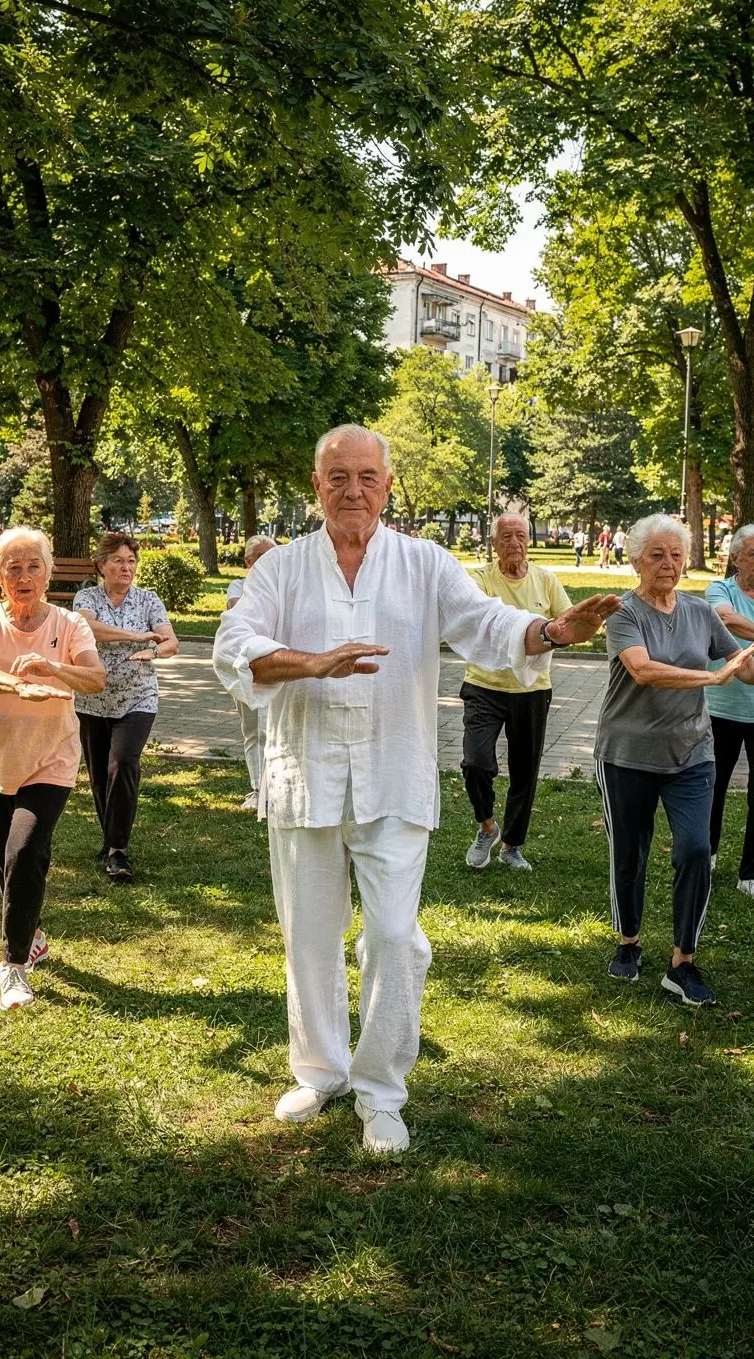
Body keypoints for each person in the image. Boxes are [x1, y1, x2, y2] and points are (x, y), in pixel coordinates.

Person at [213, 424, 618, 1153]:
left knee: (395, 938)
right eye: (339, 476)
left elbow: (488, 623)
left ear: (388, 485)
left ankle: (381, 1089)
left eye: (367, 476)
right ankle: (321, 1070)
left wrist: (553, 633)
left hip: (392, 773)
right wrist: (311, 663)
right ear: (317, 486)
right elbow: (233, 647)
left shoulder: (423, 562)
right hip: (305, 774)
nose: (353, 490)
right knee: (309, 936)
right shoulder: (282, 568)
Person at [593, 515, 754, 1007]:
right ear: (636, 560)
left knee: (695, 850)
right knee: (630, 853)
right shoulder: (623, 613)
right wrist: (711, 678)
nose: (669, 563)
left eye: (677, 555)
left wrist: (744, 664)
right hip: (626, 755)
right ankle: (629, 941)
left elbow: (741, 667)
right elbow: (643, 671)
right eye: (657, 555)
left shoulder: (700, 611)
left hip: (691, 753)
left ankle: (682, 961)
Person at [0, 527, 106, 1010]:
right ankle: (32, 932)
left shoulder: (71, 624)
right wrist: (16, 685)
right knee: (8, 864)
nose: (24, 577)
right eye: (13, 568)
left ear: (49, 571)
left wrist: (54, 668)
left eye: (33, 566)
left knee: (25, 849)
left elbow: (95, 678)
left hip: (50, 758)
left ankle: (14, 964)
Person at [462, 514, 572, 874]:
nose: (514, 542)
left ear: (529, 540)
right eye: (506, 536)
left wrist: (575, 624)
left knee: (525, 770)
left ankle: (511, 845)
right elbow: (474, 615)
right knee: (476, 762)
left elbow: (567, 621)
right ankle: (487, 827)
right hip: (484, 685)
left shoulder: (545, 580)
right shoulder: (480, 579)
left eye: (520, 535)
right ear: (493, 543)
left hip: (532, 690)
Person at [73, 533, 179, 882]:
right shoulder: (87, 598)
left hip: (138, 697)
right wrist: (135, 637)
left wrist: (154, 651)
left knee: (122, 764)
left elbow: (170, 641)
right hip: (93, 698)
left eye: (131, 561)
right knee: (100, 775)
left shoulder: (148, 600)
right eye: (118, 560)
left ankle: (118, 850)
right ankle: (109, 840)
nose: (126, 567)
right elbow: (88, 629)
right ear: (102, 565)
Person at [705, 525, 754, 893]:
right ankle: (705, 856)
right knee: (711, 786)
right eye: (753, 554)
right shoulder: (721, 589)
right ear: (736, 559)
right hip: (720, 707)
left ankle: (750, 872)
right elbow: (725, 619)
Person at [226, 536, 278, 809]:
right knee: (254, 730)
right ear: (249, 562)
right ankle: (259, 790)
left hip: (280, 666)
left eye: (274, 554)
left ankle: (279, 791)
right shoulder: (239, 586)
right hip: (248, 667)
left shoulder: (283, 586)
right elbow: (241, 615)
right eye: (263, 556)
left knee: (276, 730)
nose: (271, 560)